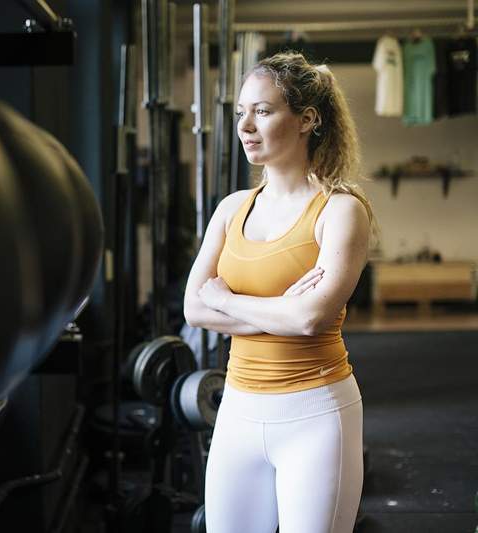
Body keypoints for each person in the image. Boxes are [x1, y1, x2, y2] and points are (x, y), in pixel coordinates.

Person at [183, 52, 375, 533]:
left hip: (316, 415)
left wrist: (226, 301)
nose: (246, 125)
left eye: (263, 111)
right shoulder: (231, 209)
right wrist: (282, 308)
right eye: (240, 112)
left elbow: (310, 319)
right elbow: (192, 307)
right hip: (237, 411)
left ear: (307, 119)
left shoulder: (341, 210)